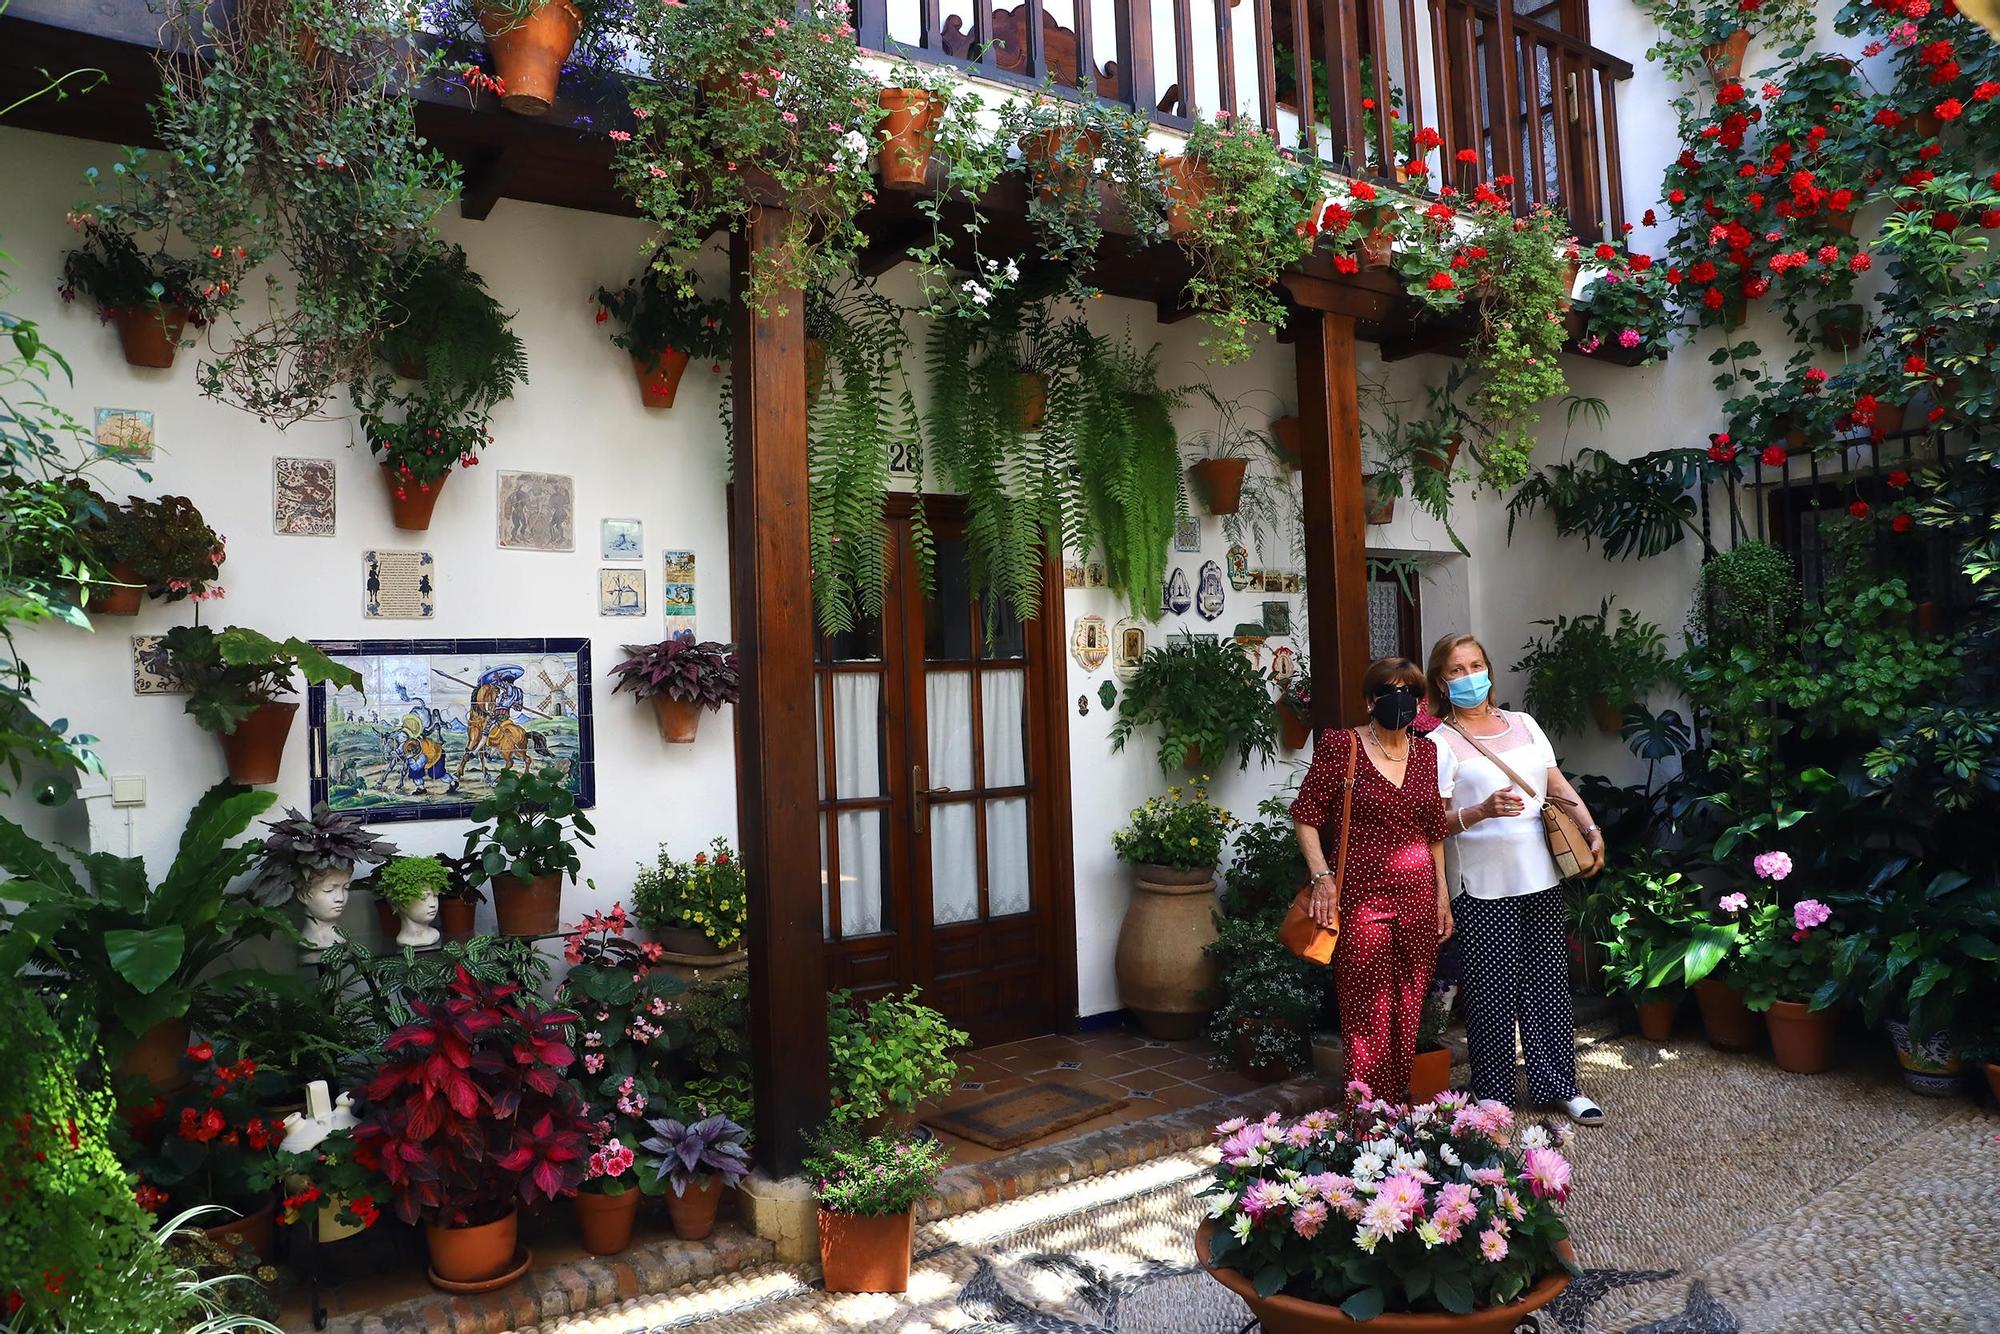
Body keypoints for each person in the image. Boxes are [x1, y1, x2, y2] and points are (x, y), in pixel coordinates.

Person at [1427, 632, 1606, 1125]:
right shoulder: (1438, 743)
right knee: (1491, 993)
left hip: (1540, 877)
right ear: (1441, 682)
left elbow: (1556, 785)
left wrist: (1590, 828)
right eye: (1457, 670)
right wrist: (1481, 811)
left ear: (1489, 669)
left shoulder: (1525, 724)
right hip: (1481, 885)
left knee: (1549, 985)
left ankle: (1561, 1086)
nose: (1469, 677)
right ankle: (1494, 1093)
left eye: (1476, 665)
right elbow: (1433, 824)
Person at [1289, 657, 1453, 1103]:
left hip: (1419, 899)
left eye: (1410, 692)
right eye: (1388, 692)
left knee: (1408, 1007)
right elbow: (1306, 816)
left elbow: (1433, 831)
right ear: (1369, 701)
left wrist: (1442, 895)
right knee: (1366, 1012)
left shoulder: (1427, 754)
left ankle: (1396, 1109)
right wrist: (1322, 876)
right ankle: (1365, 1116)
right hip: (1362, 900)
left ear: (1420, 702)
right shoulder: (1342, 746)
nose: (1400, 700)